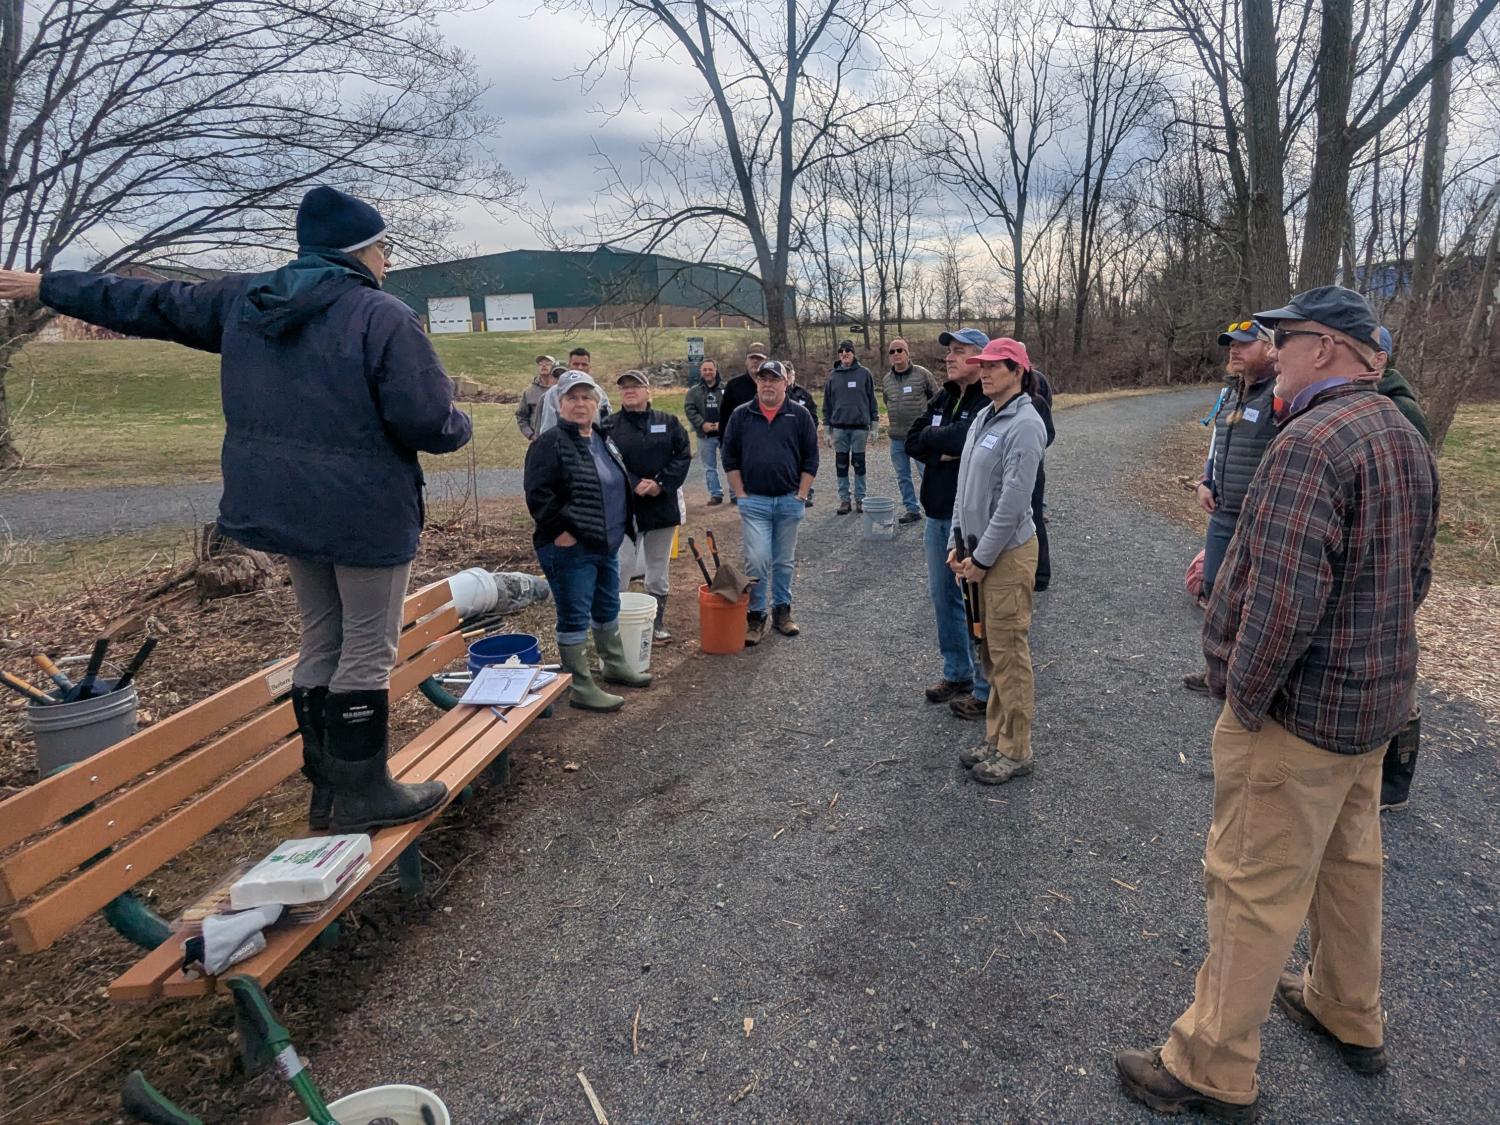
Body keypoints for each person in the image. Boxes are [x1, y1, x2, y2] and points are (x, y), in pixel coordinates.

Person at [0, 186, 471, 832]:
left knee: (321, 637)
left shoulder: (247, 301)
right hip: (364, 513)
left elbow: (150, 302)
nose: (387, 260)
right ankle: (364, 792)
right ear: (359, 251)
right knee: (367, 644)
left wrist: (48, 286)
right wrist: (458, 422)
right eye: (382, 247)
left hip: (286, 509)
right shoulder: (382, 316)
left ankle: (328, 792)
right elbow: (426, 420)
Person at [1116, 286, 1439, 1122]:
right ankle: (1347, 1008)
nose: (1275, 353)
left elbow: (1283, 606)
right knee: (1350, 864)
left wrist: (1243, 697)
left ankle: (1211, 1064)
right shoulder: (1402, 431)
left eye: (1286, 339)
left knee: (1251, 884)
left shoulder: (1312, 441)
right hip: (1373, 709)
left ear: (1325, 347)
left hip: (1300, 717)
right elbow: (1416, 577)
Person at [948, 338, 1047, 785]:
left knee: (1009, 654)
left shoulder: (1025, 424)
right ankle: (996, 738)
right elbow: (964, 485)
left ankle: (1017, 749)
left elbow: (1013, 502)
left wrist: (983, 558)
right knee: (990, 651)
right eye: (982, 365)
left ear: (1018, 371)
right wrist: (955, 541)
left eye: (994, 366)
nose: (984, 372)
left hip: (1006, 555)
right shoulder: (983, 416)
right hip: (977, 553)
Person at [524, 371, 652, 712]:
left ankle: (614, 665)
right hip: (570, 548)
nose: (580, 404)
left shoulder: (600, 437)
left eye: (586, 397)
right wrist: (561, 533)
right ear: (559, 403)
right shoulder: (548, 443)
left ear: (597, 403)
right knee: (574, 615)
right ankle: (580, 685)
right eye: (572, 397)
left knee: (607, 606)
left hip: (605, 543)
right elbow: (538, 495)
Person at [1181, 319, 1279, 695]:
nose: (1234, 350)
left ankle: (1249, 679)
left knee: (1253, 602)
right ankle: (1219, 672)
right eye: (1231, 344)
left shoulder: (1281, 394)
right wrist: (1206, 480)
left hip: (1260, 519)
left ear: (1270, 348)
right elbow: (1218, 444)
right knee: (1215, 591)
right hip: (1223, 514)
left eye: (1244, 344)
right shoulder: (1231, 392)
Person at [906, 328, 993, 716]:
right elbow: (912, 440)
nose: (949, 357)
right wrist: (941, 445)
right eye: (949, 351)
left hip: (973, 522)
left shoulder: (987, 400)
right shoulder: (943, 396)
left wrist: (938, 441)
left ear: (981, 357)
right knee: (944, 599)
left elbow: (964, 440)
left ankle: (985, 688)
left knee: (978, 604)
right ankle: (957, 672)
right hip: (937, 515)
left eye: (960, 351)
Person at [1369, 325, 1432, 813]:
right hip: (1381, 560)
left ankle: (1396, 782)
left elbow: (1416, 496)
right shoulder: (1376, 403)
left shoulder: (1401, 410)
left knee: (1397, 680)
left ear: (1380, 360)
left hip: (1392, 562)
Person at [721, 359, 819, 644]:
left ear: (785, 383)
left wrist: (802, 494)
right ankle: (755, 615)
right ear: (756, 382)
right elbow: (729, 456)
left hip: (789, 500)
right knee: (757, 560)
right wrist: (740, 493)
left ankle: (782, 612)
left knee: (784, 561)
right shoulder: (742, 415)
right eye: (763, 379)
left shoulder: (799, 415)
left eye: (774, 379)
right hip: (754, 502)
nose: (767, 384)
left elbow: (811, 458)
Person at [604, 370, 691, 642]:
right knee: (621, 567)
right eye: (624, 387)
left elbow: (683, 455)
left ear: (648, 391)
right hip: (624, 509)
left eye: (635, 386)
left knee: (658, 568)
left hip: (661, 507)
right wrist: (633, 483)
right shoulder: (608, 426)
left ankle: (655, 623)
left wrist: (661, 484)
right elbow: (604, 462)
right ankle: (616, 625)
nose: (629, 390)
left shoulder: (668, 422)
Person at [881, 338, 939, 524]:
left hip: (920, 436)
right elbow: (887, 402)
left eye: (900, 350)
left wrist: (934, 427)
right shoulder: (886, 380)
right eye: (892, 351)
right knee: (902, 476)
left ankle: (933, 509)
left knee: (927, 474)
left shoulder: (922, 374)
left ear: (907, 353)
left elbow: (937, 399)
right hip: (897, 438)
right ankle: (911, 509)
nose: (896, 354)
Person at [823, 339, 880, 515]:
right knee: (841, 465)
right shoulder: (833, 376)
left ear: (853, 353)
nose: (844, 354)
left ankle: (860, 499)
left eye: (847, 350)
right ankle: (844, 500)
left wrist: (874, 426)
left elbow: (872, 401)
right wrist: (827, 431)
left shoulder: (864, 374)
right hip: (839, 428)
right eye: (841, 351)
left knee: (859, 463)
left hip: (860, 428)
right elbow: (827, 405)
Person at [716, 342, 768, 504]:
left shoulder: (771, 384)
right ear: (746, 361)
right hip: (741, 440)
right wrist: (723, 440)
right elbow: (724, 415)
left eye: (759, 359)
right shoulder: (734, 385)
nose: (755, 362)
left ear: (766, 361)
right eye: (752, 358)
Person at [1022, 367, 1056, 590]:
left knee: (1034, 517)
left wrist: (1034, 449)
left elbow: (1049, 433)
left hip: (1034, 467)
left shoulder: (1038, 402)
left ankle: (1041, 575)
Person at [536, 347, 609, 434]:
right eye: (576, 364)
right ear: (569, 365)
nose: (580, 367)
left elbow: (607, 422)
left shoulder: (598, 392)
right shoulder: (553, 393)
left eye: (584, 364)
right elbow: (548, 426)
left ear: (589, 367)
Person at [683, 358, 726, 504]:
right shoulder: (693, 392)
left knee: (731, 464)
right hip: (704, 435)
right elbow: (689, 409)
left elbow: (732, 408)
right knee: (709, 467)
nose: (708, 372)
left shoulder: (726, 389)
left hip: (725, 434)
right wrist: (702, 424)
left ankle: (735, 494)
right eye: (705, 370)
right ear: (701, 372)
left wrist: (723, 424)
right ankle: (716, 494)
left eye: (710, 369)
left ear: (716, 370)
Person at [783, 362, 820, 507]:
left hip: (802, 437)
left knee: (805, 465)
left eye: (789, 373)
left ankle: (806, 492)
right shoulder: (777, 394)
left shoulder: (803, 394)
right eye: (784, 374)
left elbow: (813, 416)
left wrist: (811, 434)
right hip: (783, 437)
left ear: (793, 374)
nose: (787, 377)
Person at [516, 354, 558, 440]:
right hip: (538, 439)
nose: (544, 365)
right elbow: (521, 416)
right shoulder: (529, 392)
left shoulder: (561, 389)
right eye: (541, 363)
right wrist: (531, 435)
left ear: (554, 367)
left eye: (548, 363)